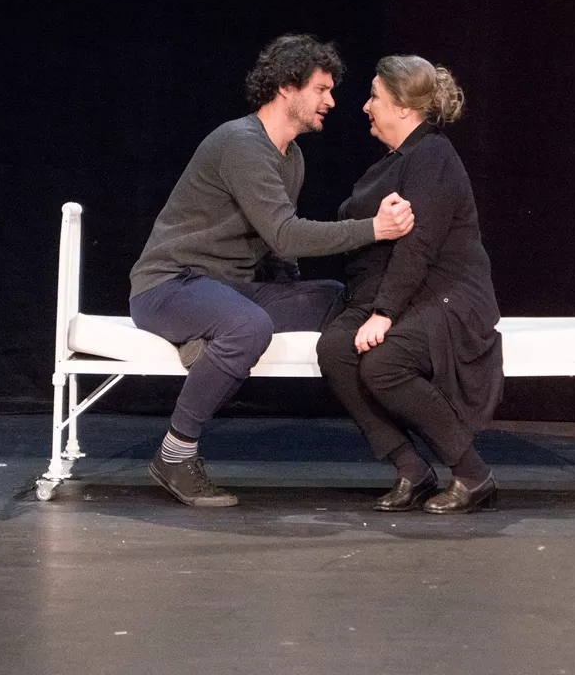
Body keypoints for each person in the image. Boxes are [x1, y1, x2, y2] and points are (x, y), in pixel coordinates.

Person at [130, 34, 415, 508]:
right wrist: (374, 229)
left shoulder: (291, 156)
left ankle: (209, 340)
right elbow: (285, 234)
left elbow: (275, 248)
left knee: (334, 298)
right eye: (321, 89)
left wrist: (292, 294)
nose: (331, 101)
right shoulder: (241, 143)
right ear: (286, 87)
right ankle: (174, 455)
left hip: (226, 289)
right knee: (248, 325)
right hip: (170, 285)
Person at [316, 55, 504, 514]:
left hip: (447, 295)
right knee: (336, 349)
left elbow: (418, 245)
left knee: (384, 364)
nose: (365, 107)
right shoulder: (395, 161)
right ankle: (412, 469)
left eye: (374, 97)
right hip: (402, 292)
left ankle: (473, 473)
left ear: (403, 107)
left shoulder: (433, 155)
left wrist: (383, 314)